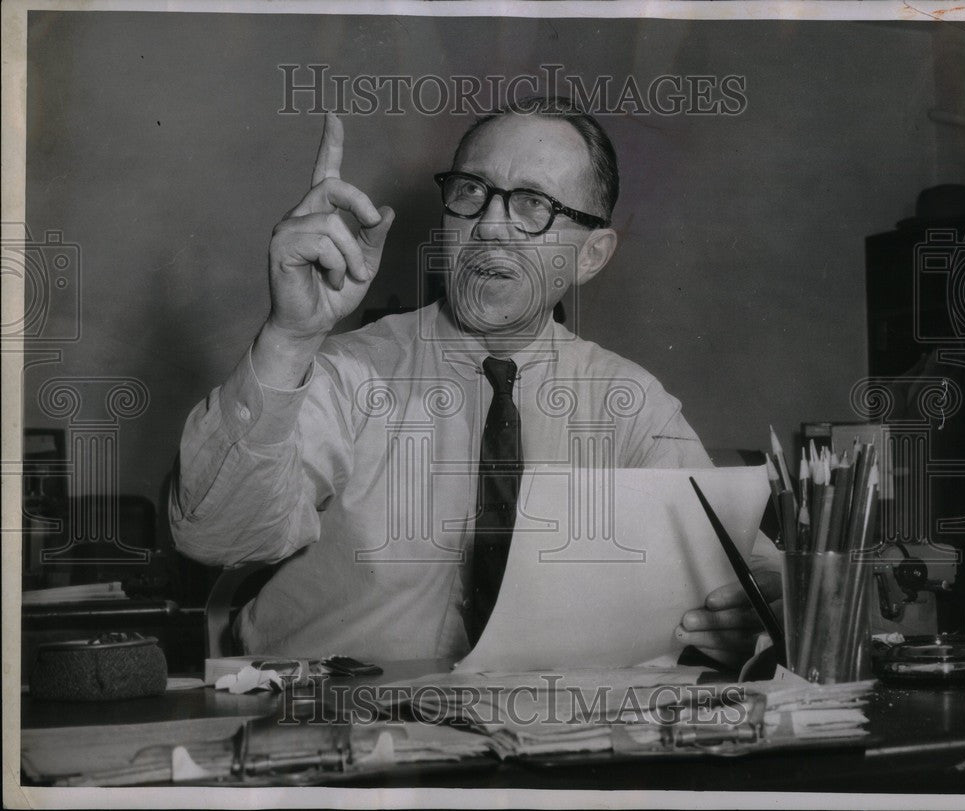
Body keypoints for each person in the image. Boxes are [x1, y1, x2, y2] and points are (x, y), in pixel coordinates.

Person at [170, 96, 780, 668]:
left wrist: (754, 612)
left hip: (542, 742)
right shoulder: (347, 372)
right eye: (471, 191)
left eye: (532, 205)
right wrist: (289, 338)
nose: (489, 226)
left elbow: (750, 571)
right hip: (331, 729)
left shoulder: (628, 402)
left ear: (590, 255)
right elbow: (214, 536)